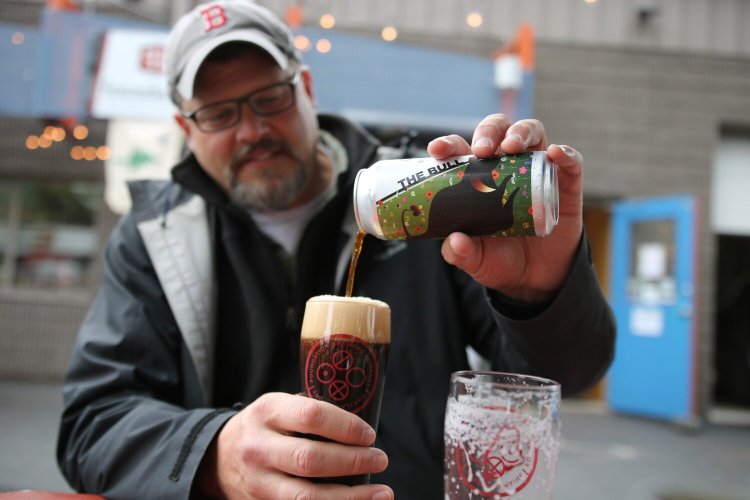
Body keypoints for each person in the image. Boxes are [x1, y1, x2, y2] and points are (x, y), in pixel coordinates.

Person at [57, 1, 615, 498]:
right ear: (185, 126)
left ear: (306, 88)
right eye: (219, 113)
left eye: (269, 97)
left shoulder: (419, 204)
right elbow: (91, 426)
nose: (252, 129)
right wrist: (210, 454)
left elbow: (565, 374)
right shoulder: (153, 235)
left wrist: (541, 292)